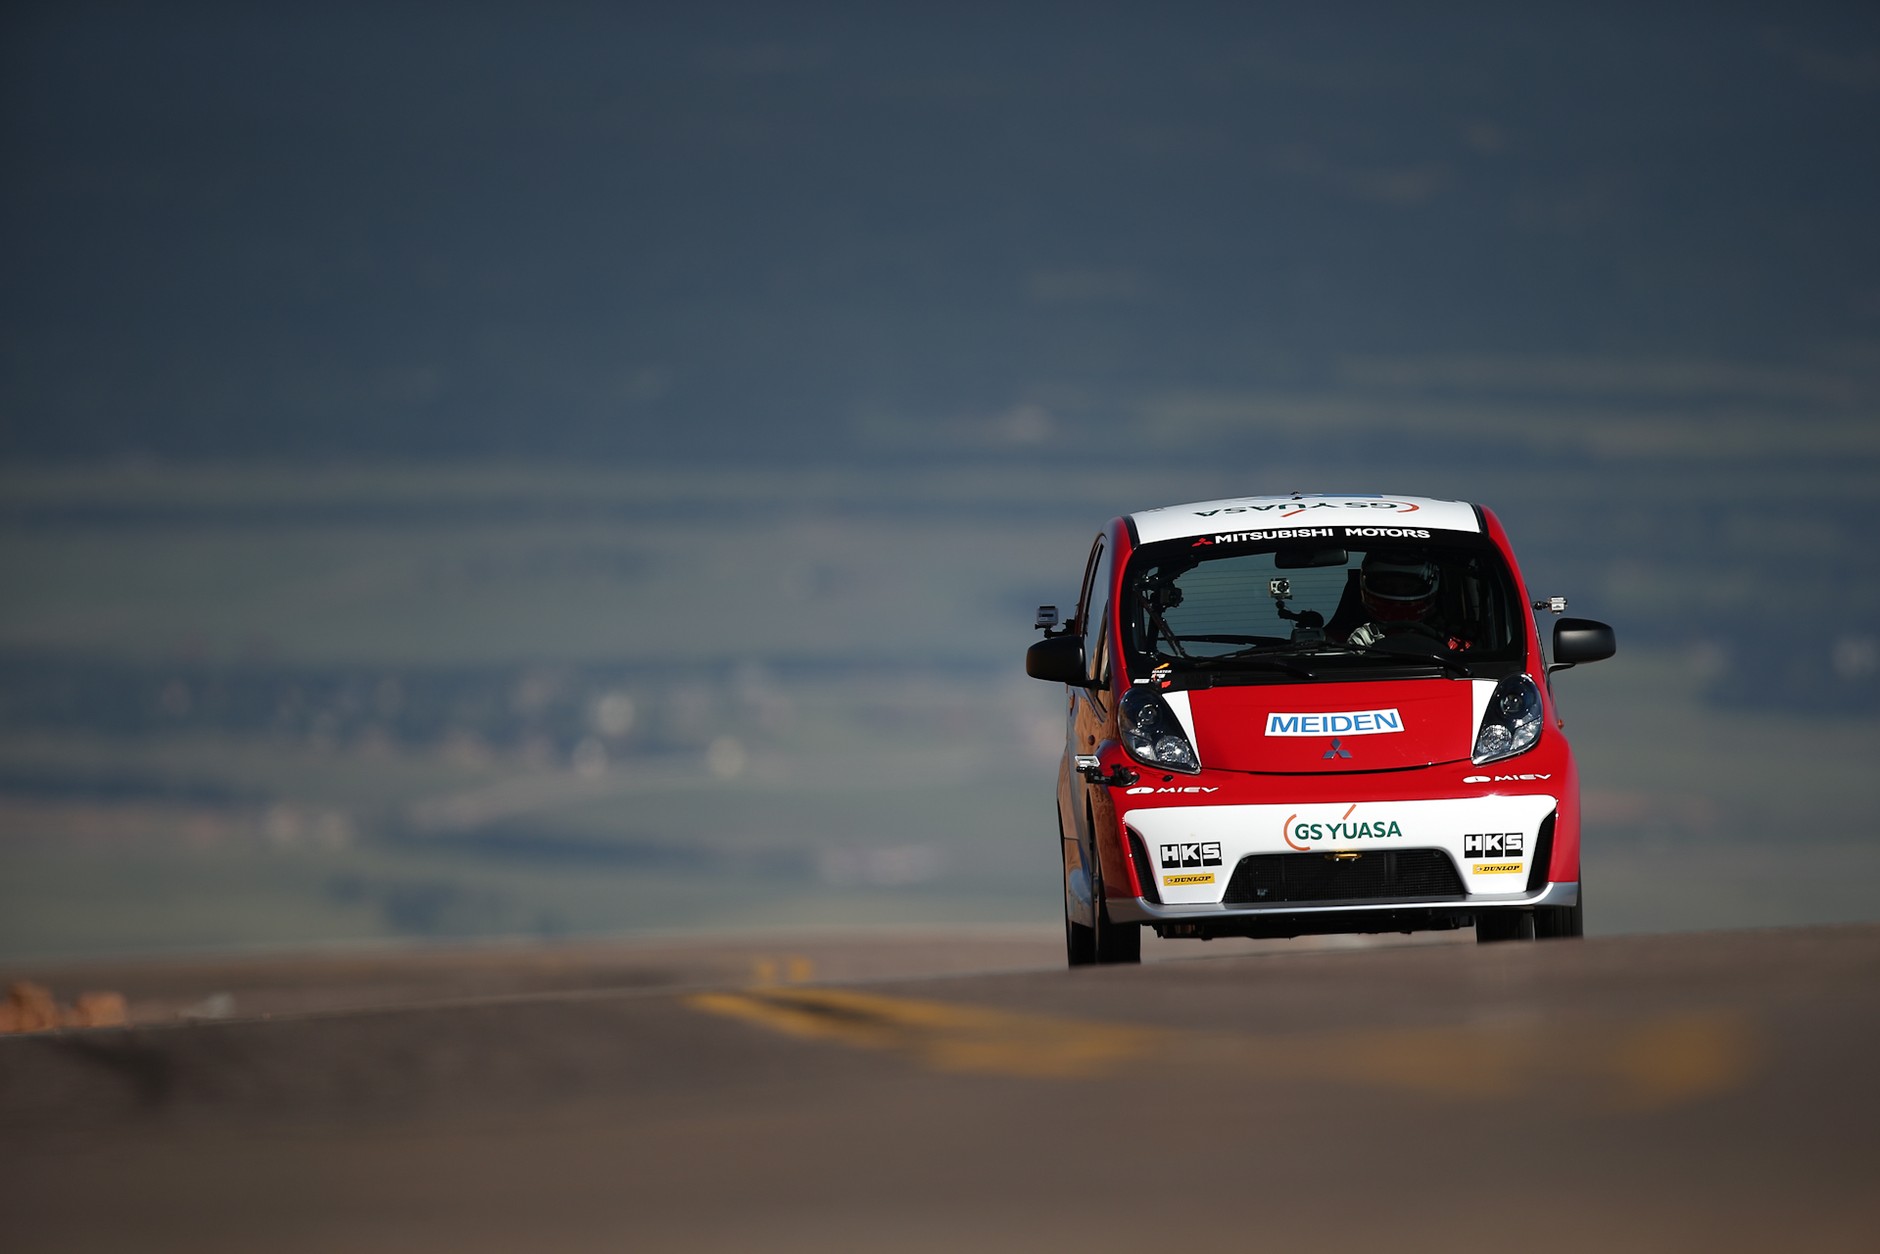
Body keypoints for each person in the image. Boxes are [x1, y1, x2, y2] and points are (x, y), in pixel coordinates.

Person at [1347, 552, 1446, 648]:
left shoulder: (1448, 643)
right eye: (1387, 585)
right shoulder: (1341, 643)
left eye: (1408, 586)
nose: (1398, 591)